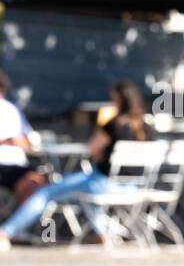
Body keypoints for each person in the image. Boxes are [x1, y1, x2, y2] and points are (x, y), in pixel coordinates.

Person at [0, 80, 154, 251]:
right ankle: (103, 236)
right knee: (84, 195)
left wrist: (101, 134)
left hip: (103, 184)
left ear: (119, 99)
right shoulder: (147, 127)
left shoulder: (114, 124)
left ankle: (5, 232)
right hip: (134, 187)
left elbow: (92, 149)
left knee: (45, 193)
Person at [0, 69, 46, 205]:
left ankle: (16, 225)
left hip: (17, 166)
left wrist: (17, 141)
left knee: (37, 183)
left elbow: (28, 140)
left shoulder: (12, 110)